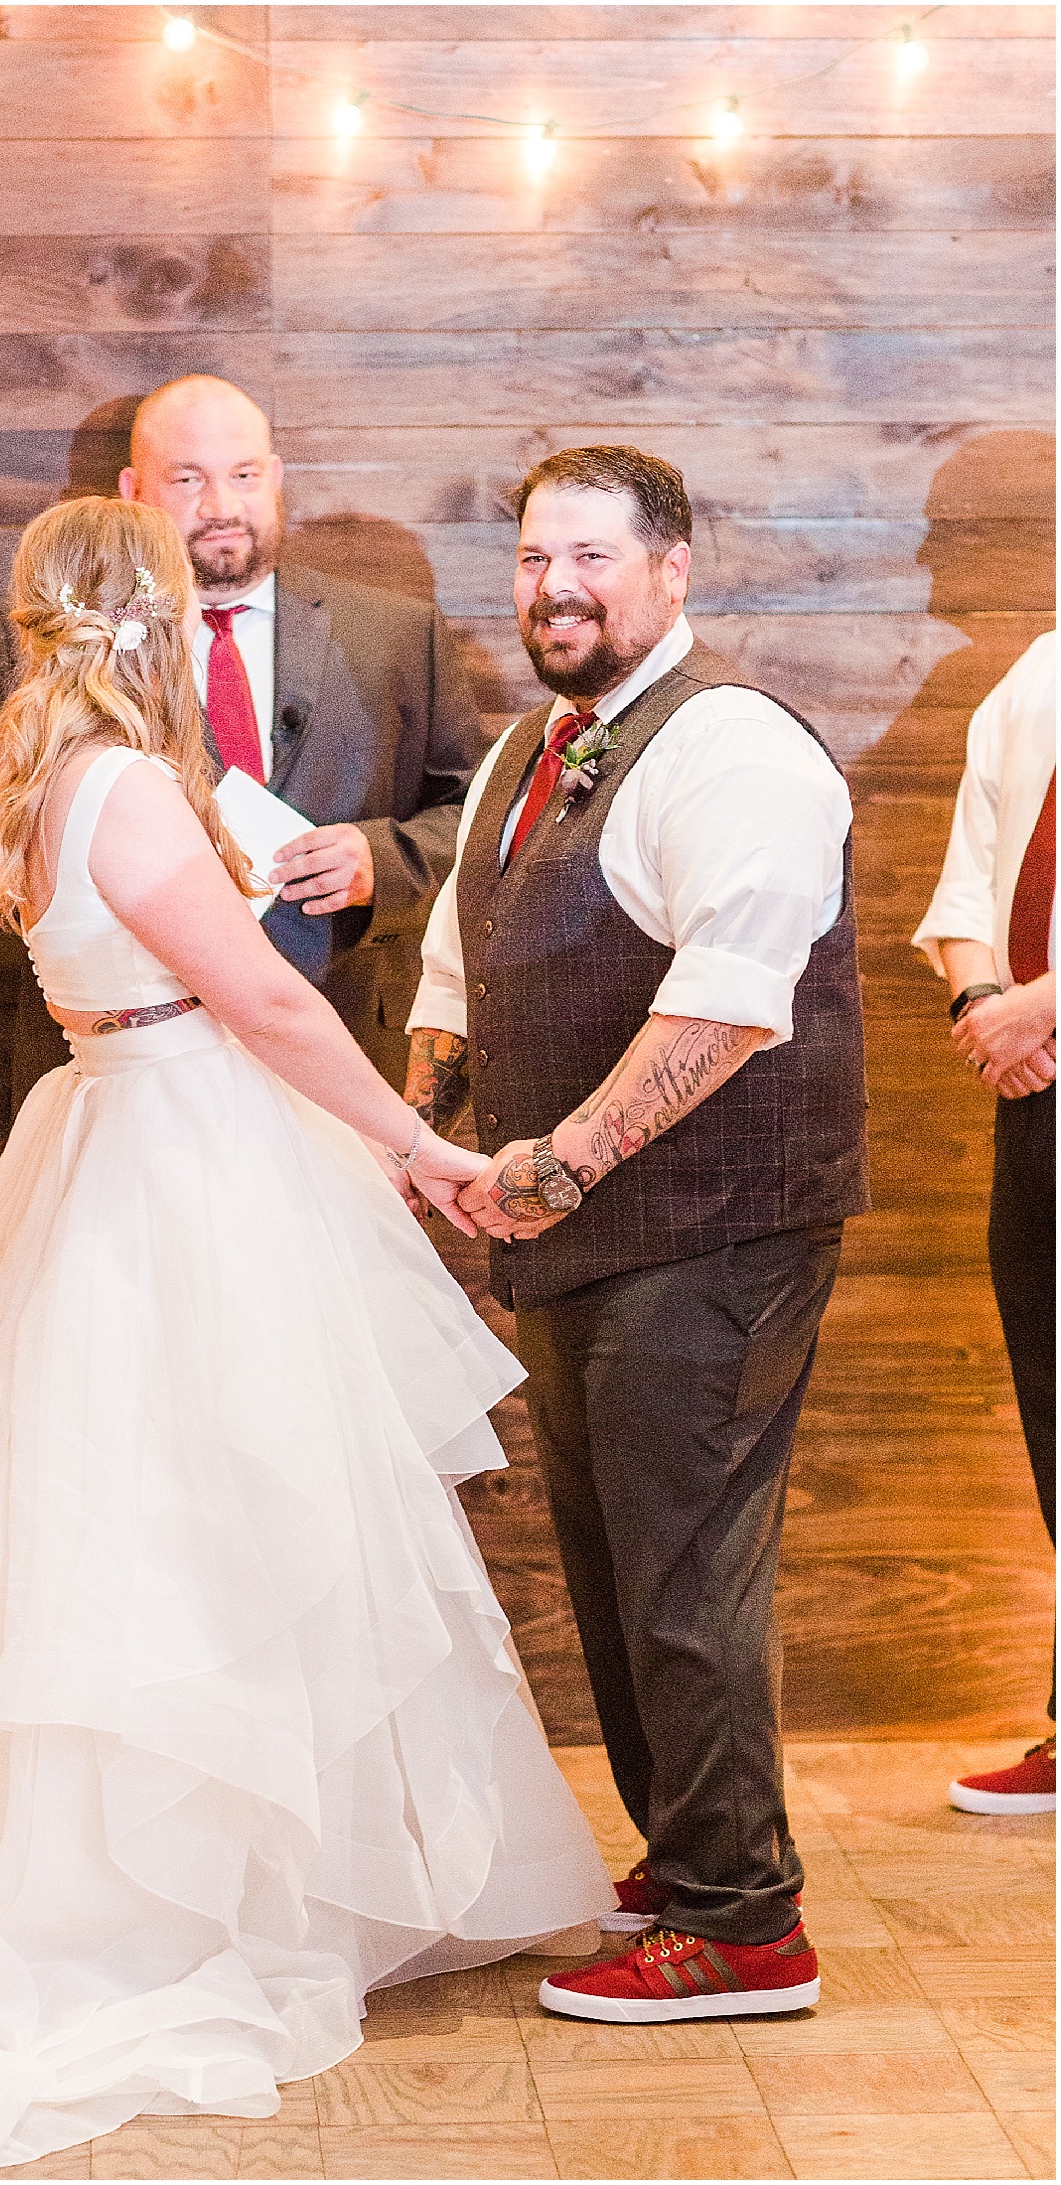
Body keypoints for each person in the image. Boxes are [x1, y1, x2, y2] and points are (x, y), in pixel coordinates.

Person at [0, 497, 614, 2178]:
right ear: (147, 613)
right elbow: (268, 997)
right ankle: (173, 1902)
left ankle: (260, 1874)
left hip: (113, 1129)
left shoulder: (37, 769)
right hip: (181, 1156)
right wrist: (419, 1147)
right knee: (218, 1527)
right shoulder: (128, 782)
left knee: (153, 1528)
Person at [405, 444, 870, 2025]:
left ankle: (747, 1925)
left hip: (717, 1228)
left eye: (592, 558)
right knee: (615, 1562)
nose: (557, 588)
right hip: (581, 1232)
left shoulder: (732, 743)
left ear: (672, 571)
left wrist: (559, 1165)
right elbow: (459, 970)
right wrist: (417, 1129)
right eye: (537, 559)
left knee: (686, 1569)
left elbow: (729, 1005)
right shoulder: (523, 752)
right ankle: (688, 1863)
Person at [0, 375, 485, 1105]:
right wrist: (101, 888)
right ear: (133, 490)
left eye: (244, 475)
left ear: (275, 476)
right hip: (134, 1065)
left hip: (346, 1042)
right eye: (188, 479)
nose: (221, 507)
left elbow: (481, 816)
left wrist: (383, 864)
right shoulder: (41, 637)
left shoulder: (397, 632)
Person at [913, 629, 1056, 1817]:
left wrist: (1040, 1006)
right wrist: (983, 1004)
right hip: (1035, 1090)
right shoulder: (1036, 673)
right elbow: (967, 879)